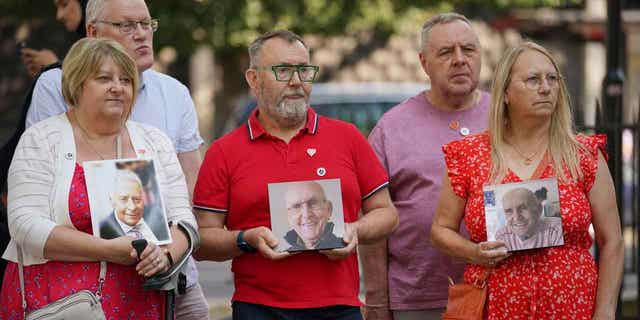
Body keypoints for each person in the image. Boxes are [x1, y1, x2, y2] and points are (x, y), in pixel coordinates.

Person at [193, 30, 399, 320]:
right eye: (283, 71)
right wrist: (245, 239)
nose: (296, 81)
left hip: (339, 307)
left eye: (304, 70)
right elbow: (201, 240)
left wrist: (355, 230)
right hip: (259, 308)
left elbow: (387, 214)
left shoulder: (348, 138)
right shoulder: (224, 152)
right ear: (253, 79)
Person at [24, 0, 209, 317]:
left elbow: (191, 193)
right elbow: (43, 193)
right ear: (93, 32)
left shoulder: (174, 93)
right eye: (126, 25)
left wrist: (166, 251)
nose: (141, 34)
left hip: (171, 274)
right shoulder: (55, 86)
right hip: (82, 286)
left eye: (146, 24)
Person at [431, 41, 623, 318]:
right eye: (533, 79)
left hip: (572, 307)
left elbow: (613, 240)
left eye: (552, 78)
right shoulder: (469, 155)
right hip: (495, 307)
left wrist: (604, 313)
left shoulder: (584, 155)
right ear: (506, 93)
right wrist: (474, 252)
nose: (546, 88)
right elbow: (440, 230)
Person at [361, 12, 490, 320]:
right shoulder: (392, 128)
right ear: (423, 62)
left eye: (468, 50)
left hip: (499, 289)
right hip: (419, 298)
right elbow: (372, 222)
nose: (459, 59)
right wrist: (377, 300)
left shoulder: (507, 118)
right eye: (445, 52)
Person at [20, 0, 87, 77]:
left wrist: (54, 67)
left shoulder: (100, 43)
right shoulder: (83, 44)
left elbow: (86, 87)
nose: (59, 16)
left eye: (64, 5)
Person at [99, 169, 162, 243]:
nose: (132, 207)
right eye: (124, 199)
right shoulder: (102, 231)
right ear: (112, 201)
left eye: (137, 199)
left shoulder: (157, 215)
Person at [495, 187, 563, 251]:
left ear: (538, 210)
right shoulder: (502, 235)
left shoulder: (556, 230)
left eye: (523, 208)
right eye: (509, 211)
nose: (516, 218)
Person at [283, 181, 344, 251]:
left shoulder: (346, 247)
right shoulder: (282, 256)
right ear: (289, 217)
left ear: (329, 209)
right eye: (296, 206)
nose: (306, 215)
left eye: (313, 203)